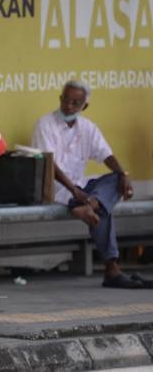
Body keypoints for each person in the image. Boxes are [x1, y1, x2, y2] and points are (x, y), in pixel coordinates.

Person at [31, 79, 149, 289]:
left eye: (75, 103)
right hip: (57, 188)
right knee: (105, 209)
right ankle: (112, 269)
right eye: (65, 100)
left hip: (83, 191)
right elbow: (51, 167)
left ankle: (89, 206)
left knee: (114, 180)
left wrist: (123, 173)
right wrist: (74, 191)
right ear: (60, 99)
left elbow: (106, 155)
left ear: (84, 106)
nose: (68, 106)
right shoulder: (45, 124)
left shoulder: (87, 127)